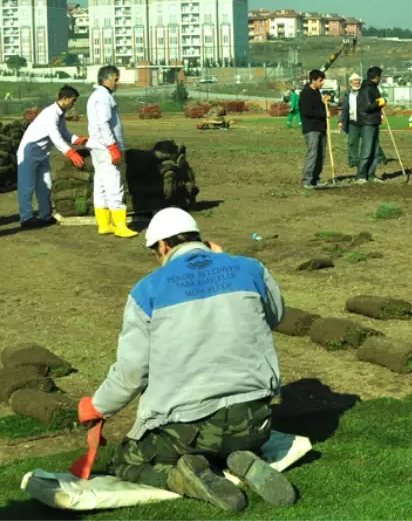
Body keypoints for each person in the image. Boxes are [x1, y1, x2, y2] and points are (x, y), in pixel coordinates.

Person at [78, 207, 294, 512]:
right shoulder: (251, 269)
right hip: (255, 423)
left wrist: (98, 406)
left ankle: (179, 477)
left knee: (127, 460)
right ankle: (240, 457)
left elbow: (132, 373)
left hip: (185, 430)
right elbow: (275, 315)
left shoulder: (147, 290)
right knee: (226, 440)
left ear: (163, 247)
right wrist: (227, 263)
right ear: (199, 238)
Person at [17, 85, 87, 229]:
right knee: (27, 186)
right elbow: (54, 135)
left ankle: (45, 216)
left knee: (46, 185)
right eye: (73, 101)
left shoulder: (60, 114)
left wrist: (77, 140)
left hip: (42, 155)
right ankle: (26, 218)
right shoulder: (50, 113)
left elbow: (63, 132)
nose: (74, 104)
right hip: (28, 154)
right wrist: (70, 152)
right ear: (65, 98)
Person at [88, 66, 138, 238]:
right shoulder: (103, 97)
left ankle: (104, 224)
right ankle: (120, 226)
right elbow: (104, 124)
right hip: (106, 147)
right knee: (114, 185)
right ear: (106, 79)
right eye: (116, 79)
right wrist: (112, 147)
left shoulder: (97, 95)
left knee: (101, 185)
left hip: (97, 147)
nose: (117, 83)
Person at [340, 73, 387, 172]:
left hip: (365, 121)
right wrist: (341, 121)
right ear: (350, 83)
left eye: (358, 81)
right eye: (354, 81)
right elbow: (345, 108)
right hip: (353, 122)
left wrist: (381, 114)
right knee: (352, 142)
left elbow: (375, 103)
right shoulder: (348, 94)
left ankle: (380, 158)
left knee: (369, 143)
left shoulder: (365, 92)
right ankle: (354, 161)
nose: (356, 83)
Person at [355, 66, 386, 183]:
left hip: (374, 121)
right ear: (376, 77)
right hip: (367, 122)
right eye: (380, 77)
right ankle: (361, 176)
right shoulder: (366, 89)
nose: (380, 79)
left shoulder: (374, 88)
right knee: (367, 149)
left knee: (374, 150)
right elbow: (366, 107)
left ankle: (371, 174)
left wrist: (380, 104)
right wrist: (378, 103)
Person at [298, 70, 328, 189]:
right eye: (320, 80)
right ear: (313, 80)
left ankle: (316, 179)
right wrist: (324, 114)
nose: (322, 83)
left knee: (321, 155)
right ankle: (307, 180)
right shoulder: (305, 94)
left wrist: (323, 102)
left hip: (321, 128)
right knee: (313, 154)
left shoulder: (317, 93)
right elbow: (308, 112)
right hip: (311, 129)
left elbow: (318, 108)